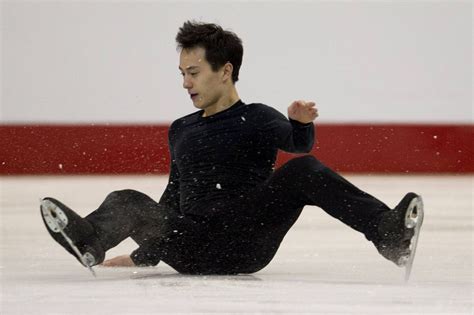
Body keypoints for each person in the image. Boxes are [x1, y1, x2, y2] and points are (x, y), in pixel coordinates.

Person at [41, 21, 423, 276]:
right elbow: (174, 193)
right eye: (182, 74)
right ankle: (88, 242)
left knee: (304, 170)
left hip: (247, 238)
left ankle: (388, 233)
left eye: (194, 73)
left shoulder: (257, 116)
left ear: (224, 70)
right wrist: (145, 255)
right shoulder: (181, 129)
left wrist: (302, 122)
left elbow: (298, 145)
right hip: (191, 245)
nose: (186, 83)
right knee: (127, 198)